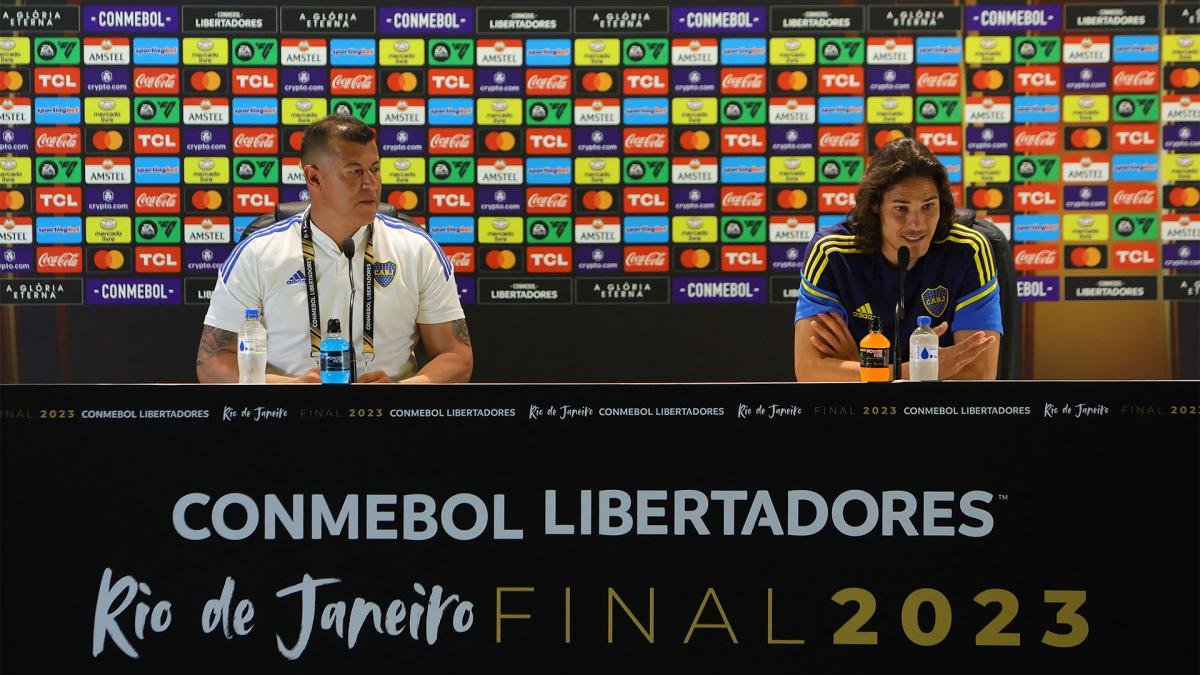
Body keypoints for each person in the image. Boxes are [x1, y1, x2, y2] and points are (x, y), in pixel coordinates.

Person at [196, 114, 473, 383]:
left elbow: (456, 356)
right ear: (314, 178)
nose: (370, 184)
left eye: (375, 169)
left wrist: (400, 391)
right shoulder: (257, 253)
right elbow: (212, 362)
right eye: (354, 172)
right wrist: (286, 387)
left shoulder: (418, 249)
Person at [793, 138, 1000, 382]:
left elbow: (978, 374)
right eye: (901, 208)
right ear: (875, 205)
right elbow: (810, 370)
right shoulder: (832, 252)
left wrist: (865, 368)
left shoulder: (968, 250)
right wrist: (920, 371)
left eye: (928, 206)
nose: (917, 224)